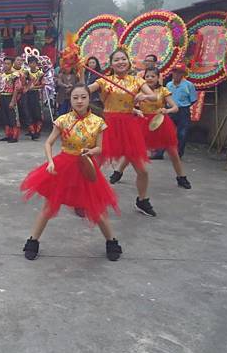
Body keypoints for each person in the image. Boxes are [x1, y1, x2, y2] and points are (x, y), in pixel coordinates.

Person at [21, 84, 122, 261]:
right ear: (71, 99)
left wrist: (91, 152)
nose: (79, 101)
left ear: (89, 98)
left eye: (83, 97)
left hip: (85, 166)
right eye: (75, 97)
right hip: (63, 165)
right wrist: (50, 161)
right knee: (49, 206)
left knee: (96, 209)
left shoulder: (98, 122)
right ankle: (33, 241)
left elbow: (100, 147)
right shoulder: (62, 120)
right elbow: (48, 143)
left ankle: (111, 241)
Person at [88, 48, 158, 217]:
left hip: (128, 128)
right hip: (108, 126)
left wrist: (144, 97)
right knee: (93, 166)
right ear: (111, 64)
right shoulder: (104, 81)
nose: (120, 62)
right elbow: (86, 90)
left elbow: (154, 97)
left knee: (143, 170)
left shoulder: (137, 81)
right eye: (116, 60)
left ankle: (142, 200)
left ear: (129, 61)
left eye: (123, 59)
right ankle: (84, 198)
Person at [111, 67, 192, 189]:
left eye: (152, 76)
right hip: (142, 122)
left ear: (158, 78)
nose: (150, 78)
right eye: (147, 76)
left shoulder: (164, 91)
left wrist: (167, 110)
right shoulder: (139, 91)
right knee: (133, 150)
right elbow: (127, 106)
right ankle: (117, 172)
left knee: (173, 152)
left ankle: (181, 177)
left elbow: (175, 107)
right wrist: (134, 109)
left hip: (160, 123)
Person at [160, 63, 197, 158]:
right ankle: (159, 153)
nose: (177, 74)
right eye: (175, 72)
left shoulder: (189, 85)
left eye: (179, 72)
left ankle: (178, 154)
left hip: (183, 111)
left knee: (182, 133)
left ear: (183, 74)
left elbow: (193, 100)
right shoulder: (168, 85)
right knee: (165, 132)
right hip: (170, 110)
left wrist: (182, 106)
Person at [0, 57, 22, 143]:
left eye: (8, 64)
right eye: (5, 63)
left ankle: (15, 136)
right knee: (5, 117)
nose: (6, 65)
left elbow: (16, 89)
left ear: (11, 65)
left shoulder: (15, 75)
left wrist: (13, 101)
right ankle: (8, 135)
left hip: (10, 96)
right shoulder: (2, 75)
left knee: (13, 117)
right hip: (3, 97)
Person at [23, 56, 44, 140]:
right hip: (27, 95)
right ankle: (32, 132)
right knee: (28, 112)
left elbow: (43, 85)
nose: (32, 64)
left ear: (36, 63)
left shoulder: (40, 73)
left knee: (37, 113)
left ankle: (37, 131)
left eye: (34, 63)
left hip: (36, 94)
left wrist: (34, 87)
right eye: (30, 63)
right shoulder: (26, 73)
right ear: (28, 64)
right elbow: (23, 83)